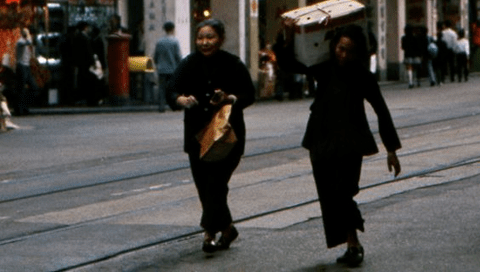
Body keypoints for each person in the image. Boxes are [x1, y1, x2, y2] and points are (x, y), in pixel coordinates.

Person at [274, 20, 402, 268]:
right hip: (320, 138)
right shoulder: (323, 67)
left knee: (344, 191)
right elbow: (290, 65)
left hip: (350, 141)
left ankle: (353, 243)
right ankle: (348, 241)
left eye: (350, 50)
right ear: (334, 46)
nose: (343, 55)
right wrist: (287, 40)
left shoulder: (363, 76)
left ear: (359, 53)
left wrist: (391, 150)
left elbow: (382, 111)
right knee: (329, 193)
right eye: (340, 48)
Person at [166, 19, 255, 253]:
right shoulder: (188, 64)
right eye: (200, 38)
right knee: (205, 187)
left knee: (215, 184)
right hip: (197, 136)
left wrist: (229, 98)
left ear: (221, 39)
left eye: (210, 37)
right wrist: (181, 100)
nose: (205, 42)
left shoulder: (233, 64)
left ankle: (208, 233)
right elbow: (171, 89)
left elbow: (249, 94)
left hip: (228, 137)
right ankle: (226, 229)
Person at [152, 21, 182, 113]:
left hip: (162, 69)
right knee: (173, 88)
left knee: (162, 89)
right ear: (173, 29)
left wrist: (158, 64)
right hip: (173, 69)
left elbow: (155, 56)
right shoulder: (175, 41)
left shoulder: (159, 42)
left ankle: (161, 107)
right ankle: (174, 105)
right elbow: (178, 56)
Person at [15, 27, 38, 115]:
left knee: (33, 87)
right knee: (21, 89)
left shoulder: (26, 42)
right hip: (21, 65)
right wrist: (28, 36)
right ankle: (20, 109)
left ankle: (24, 106)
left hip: (26, 66)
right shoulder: (20, 41)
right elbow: (27, 43)